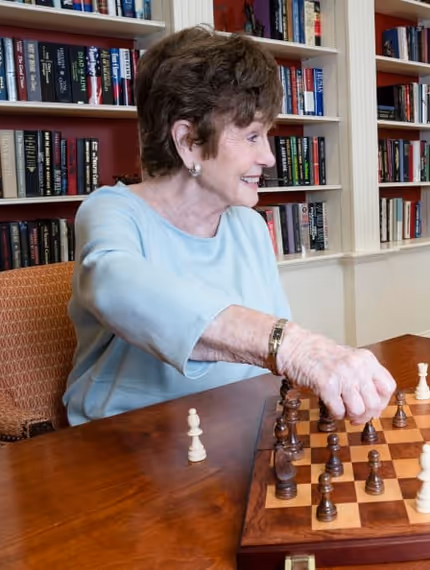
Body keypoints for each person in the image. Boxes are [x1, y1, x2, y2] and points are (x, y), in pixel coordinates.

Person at [63, 27, 395, 426]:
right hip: (126, 443)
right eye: (252, 136)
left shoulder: (250, 226)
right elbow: (114, 284)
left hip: (240, 429)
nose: (269, 157)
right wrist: (290, 345)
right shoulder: (111, 211)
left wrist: (308, 362)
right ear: (188, 142)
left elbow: (264, 360)